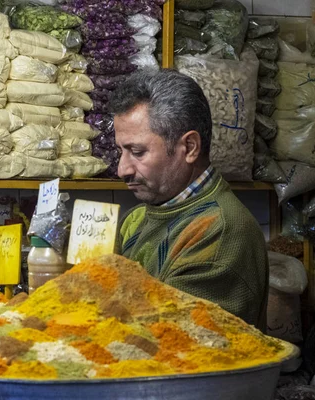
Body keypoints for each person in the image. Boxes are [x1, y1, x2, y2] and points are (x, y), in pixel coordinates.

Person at [109, 69, 268, 330]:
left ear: (190, 147)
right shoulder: (135, 219)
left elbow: (176, 341)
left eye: (137, 152)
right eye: (120, 151)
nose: (122, 169)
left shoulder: (220, 230)